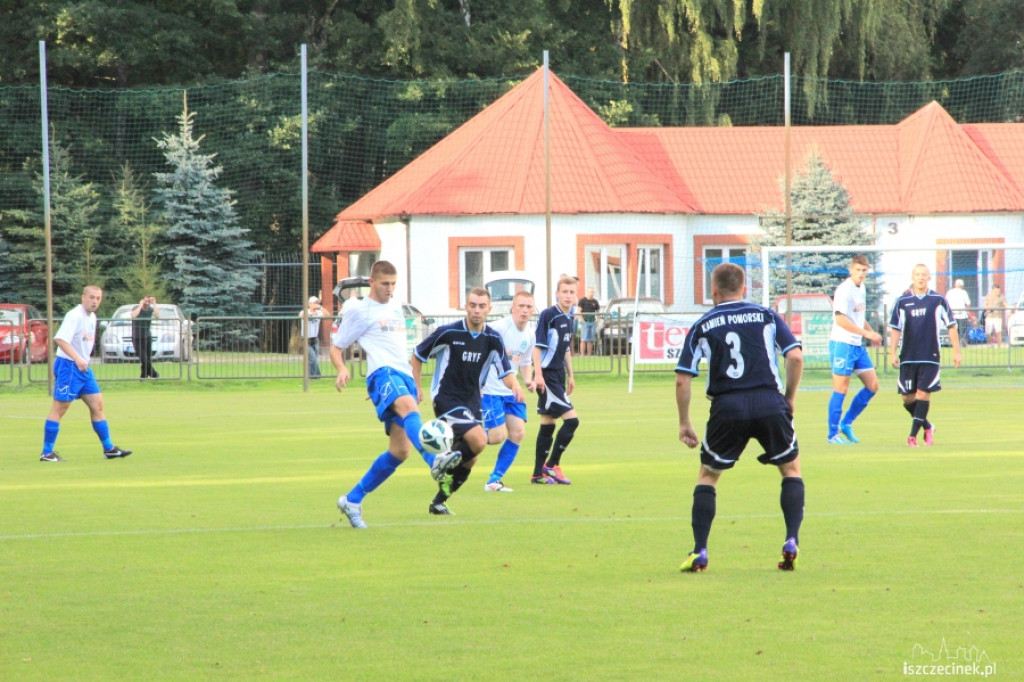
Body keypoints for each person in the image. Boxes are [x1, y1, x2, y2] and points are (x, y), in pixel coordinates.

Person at [675, 263, 805, 572]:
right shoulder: (767, 315)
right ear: (744, 289)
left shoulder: (704, 324)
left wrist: (684, 422)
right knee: (791, 469)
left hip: (727, 406)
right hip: (769, 402)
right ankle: (791, 539)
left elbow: (683, 379)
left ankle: (700, 551)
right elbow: (795, 356)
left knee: (708, 476)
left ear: (714, 291)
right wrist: (789, 398)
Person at [331, 260, 461, 529]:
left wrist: (412, 383)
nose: (389, 289)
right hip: (384, 374)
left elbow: (395, 346)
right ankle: (434, 459)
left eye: (393, 284)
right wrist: (342, 368)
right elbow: (336, 347)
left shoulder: (396, 306)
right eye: (384, 284)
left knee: (400, 452)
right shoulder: (360, 310)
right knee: (411, 412)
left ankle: (352, 500)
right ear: (372, 282)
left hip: (399, 376)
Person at [412, 287, 524, 514]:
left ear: (489, 309)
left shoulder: (493, 338)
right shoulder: (449, 333)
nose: (477, 310)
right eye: (472, 305)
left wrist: (515, 385)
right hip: (446, 397)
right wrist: (417, 386)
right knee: (480, 439)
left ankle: (438, 502)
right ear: (466, 306)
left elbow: (505, 372)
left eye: (482, 306)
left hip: (473, 401)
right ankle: (440, 461)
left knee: (470, 458)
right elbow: (418, 354)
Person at [39, 285, 133, 462]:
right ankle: (46, 453)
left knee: (97, 405)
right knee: (60, 408)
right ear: (83, 297)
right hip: (69, 366)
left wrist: (82, 360)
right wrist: (77, 358)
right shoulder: (75, 316)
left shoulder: (93, 318)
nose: (94, 301)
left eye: (98, 298)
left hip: (83, 369)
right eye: (91, 297)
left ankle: (109, 449)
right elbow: (59, 339)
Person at [888, 264, 962, 447]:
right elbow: (896, 329)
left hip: (930, 355)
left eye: (924, 275)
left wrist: (956, 351)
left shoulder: (938, 300)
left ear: (929, 277)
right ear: (912, 277)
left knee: (923, 394)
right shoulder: (902, 301)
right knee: (907, 398)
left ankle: (912, 436)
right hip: (908, 356)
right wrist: (892, 352)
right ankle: (928, 426)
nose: (920, 278)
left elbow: (952, 325)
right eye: (917, 275)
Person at [481, 290, 537, 492]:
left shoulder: (530, 334)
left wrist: (528, 380)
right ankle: (464, 438)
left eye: (528, 307)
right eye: (520, 306)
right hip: (490, 390)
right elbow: (479, 354)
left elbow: (524, 361)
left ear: (532, 310)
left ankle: (494, 480)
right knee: (496, 437)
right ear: (512, 307)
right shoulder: (498, 329)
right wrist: (477, 384)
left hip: (511, 391)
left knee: (518, 432)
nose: (524, 310)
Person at [826, 255, 882, 444]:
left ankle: (846, 423)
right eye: (857, 270)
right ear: (851, 269)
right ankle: (832, 434)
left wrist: (871, 332)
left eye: (864, 270)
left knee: (873, 385)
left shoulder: (862, 288)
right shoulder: (844, 290)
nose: (861, 274)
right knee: (841, 388)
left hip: (857, 345)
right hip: (842, 344)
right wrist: (866, 334)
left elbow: (858, 315)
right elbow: (840, 320)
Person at [531, 275, 579, 485]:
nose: (568, 296)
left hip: (558, 375)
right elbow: (538, 347)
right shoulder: (548, 315)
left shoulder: (570, 317)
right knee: (572, 421)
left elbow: (566, 348)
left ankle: (537, 474)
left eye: (572, 292)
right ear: (557, 293)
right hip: (547, 375)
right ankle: (551, 466)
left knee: (548, 421)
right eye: (564, 292)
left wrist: (571, 374)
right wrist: (538, 374)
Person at [131, 295, 160, 379]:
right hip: (137, 337)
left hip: (147, 337)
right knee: (144, 358)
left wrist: (154, 303)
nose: (147, 302)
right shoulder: (136, 308)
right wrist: (140, 305)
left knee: (147, 359)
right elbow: (133, 315)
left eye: (148, 301)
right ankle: (154, 374)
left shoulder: (150, 309)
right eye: (145, 301)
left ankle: (143, 377)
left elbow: (157, 316)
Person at [300, 295, 323, 377]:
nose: (316, 304)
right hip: (306, 339)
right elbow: (301, 315)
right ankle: (318, 375)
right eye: (314, 303)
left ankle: (310, 376)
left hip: (315, 339)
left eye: (317, 303)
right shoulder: (305, 311)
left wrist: (320, 307)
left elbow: (328, 315)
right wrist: (310, 315)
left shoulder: (319, 313)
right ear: (309, 304)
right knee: (313, 359)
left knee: (313, 360)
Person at [945, 278, 971, 344]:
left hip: (952, 315)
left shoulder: (950, 292)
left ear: (955, 285)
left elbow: (946, 303)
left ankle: (954, 343)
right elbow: (968, 304)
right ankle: (962, 342)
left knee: (953, 330)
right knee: (962, 332)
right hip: (962, 315)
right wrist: (968, 312)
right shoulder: (964, 292)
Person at [577, 287, 600, 356]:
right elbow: (579, 311)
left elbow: (598, 312)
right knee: (583, 339)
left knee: (591, 339)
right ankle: (582, 355)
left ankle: (589, 355)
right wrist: (582, 320)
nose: (591, 293)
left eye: (592, 292)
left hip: (592, 322)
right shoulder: (582, 300)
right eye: (590, 292)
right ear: (587, 292)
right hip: (585, 322)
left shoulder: (595, 302)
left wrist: (597, 319)